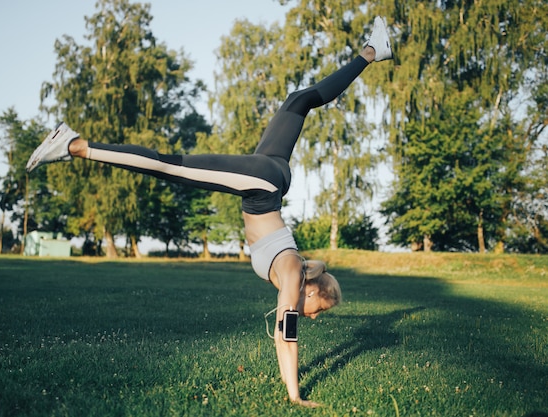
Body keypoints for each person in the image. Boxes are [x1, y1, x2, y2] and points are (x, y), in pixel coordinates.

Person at [27, 16, 393, 407]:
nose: (314, 317)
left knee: (298, 101)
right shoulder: (291, 273)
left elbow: (289, 323)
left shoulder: (297, 271)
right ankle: (75, 145)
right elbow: (286, 338)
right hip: (262, 184)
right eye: (318, 308)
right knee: (171, 165)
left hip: (271, 176)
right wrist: (295, 396)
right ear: (312, 289)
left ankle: (372, 52)